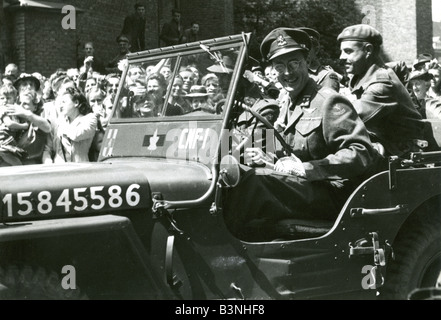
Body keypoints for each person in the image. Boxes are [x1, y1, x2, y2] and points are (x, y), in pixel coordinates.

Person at [223, 28, 378, 239]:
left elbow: (361, 153)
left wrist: (305, 169)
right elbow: (284, 145)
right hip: (301, 188)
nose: (287, 73)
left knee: (253, 183)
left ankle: (223, 251)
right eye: (279, 66)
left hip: (330, 193)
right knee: (235, 176)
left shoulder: (327, 100)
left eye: (294, 63)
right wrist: (260, 156)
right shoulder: (286, 102)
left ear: (307, 63)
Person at [337, 24, 425, 160]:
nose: (341, 57)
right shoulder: (361, 77)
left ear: (368, 50)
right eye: (342, 51)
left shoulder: (382, 83)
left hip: (402, 154)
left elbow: (349, 118)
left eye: (348, 51)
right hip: (385, 145)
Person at [43, 86, 97, 163]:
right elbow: (47, 149)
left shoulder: (90, 119)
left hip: (81, 169)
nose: (61, 106)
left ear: (76, 103)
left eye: (64, 102)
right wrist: (48, 163)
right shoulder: (56, 123)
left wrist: (61, 124)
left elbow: (76, 135)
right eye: (60, 103)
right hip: (58, 170)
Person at [295, 27, 340, 92]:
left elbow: (328, 101)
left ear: (316, 50)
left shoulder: (326, 76)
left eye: (306, 50)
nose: (301, 54)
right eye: (298, 50)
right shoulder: (291, 73)